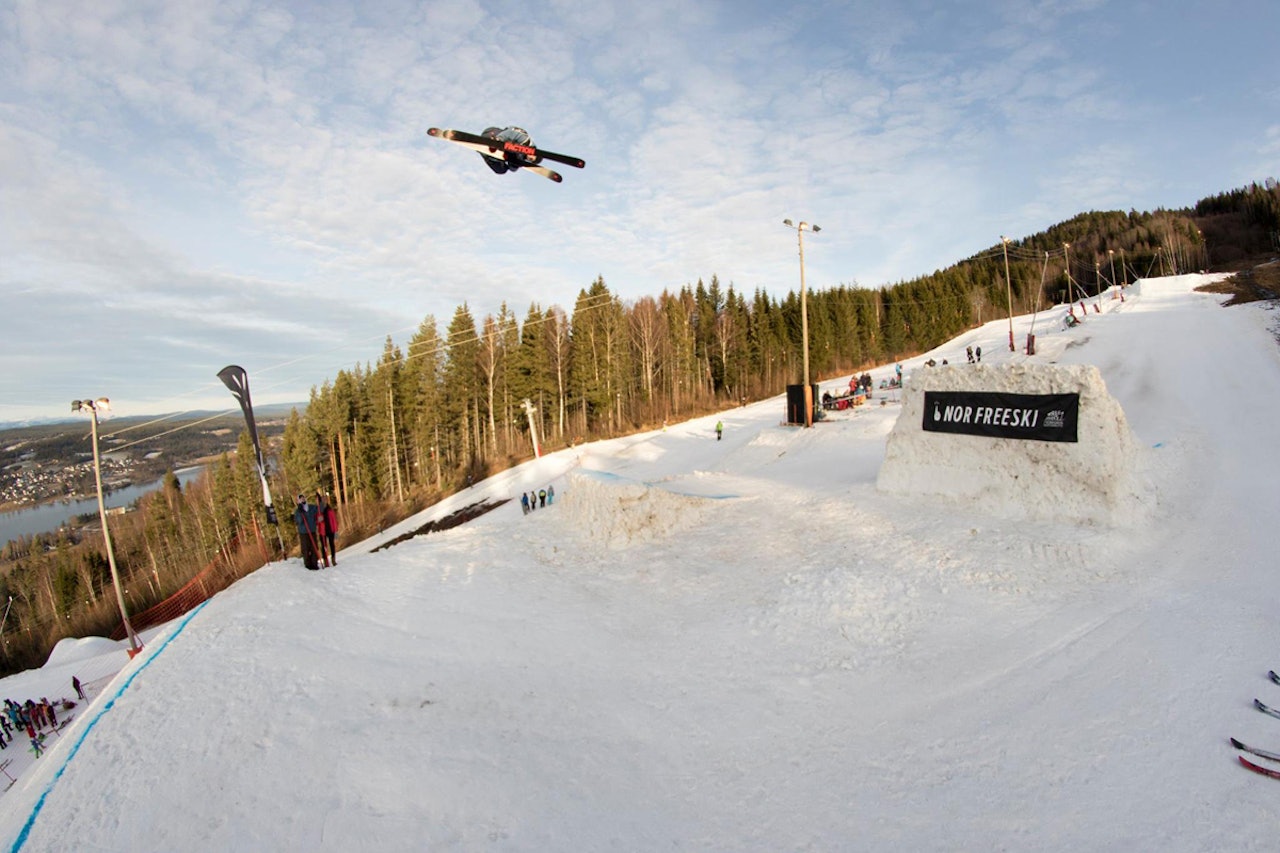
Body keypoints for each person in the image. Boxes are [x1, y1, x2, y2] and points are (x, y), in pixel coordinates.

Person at [294, 494, 320, 570]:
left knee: (314, 548)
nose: (303, 500)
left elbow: (319, 510)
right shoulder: (298, 511)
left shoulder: (311, 507)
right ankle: (308, 564)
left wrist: (320, 501)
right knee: (306, 549)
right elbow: (298, 521)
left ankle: (315, 563)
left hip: (312, 530)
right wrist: (301, 513)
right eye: (301, 499)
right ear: (298, 501)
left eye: (303, 498)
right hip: (304, 533)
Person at [317, 493, 339, 566]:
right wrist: (318, 520)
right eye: (323, 499)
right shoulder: (319, 510)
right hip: (323, 531)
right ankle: (326, 561)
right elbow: (316, 521)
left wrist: (336, 531)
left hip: (330, 530)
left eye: (325, 499)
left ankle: (333, 560)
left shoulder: (330, 510)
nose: (324, 501)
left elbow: (334, 521)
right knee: (323, 546)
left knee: (332, 545)